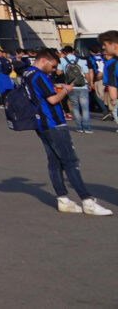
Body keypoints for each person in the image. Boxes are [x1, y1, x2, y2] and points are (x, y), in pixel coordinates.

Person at [12, 46, 112, 216]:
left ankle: (62, 198)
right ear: (44, 60)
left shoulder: (27, 74)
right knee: (70, 161)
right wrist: (65, 90)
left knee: (54, 161)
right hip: (53, 122)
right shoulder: (38, 75)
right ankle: (86, 199)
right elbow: (52, 99)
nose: (54, 70)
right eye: (52, 66)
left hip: (40, 122)